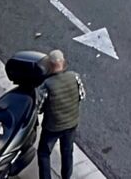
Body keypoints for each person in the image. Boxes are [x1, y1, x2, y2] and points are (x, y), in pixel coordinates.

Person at [35, 48, 86, 179]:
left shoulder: (47, 85)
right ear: (63, 62)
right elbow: (81, 96)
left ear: (50, 65)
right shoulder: (74, 77)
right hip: (71, 124)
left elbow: (39, 108)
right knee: (67, 152)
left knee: (44, 153)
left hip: (52, 127)